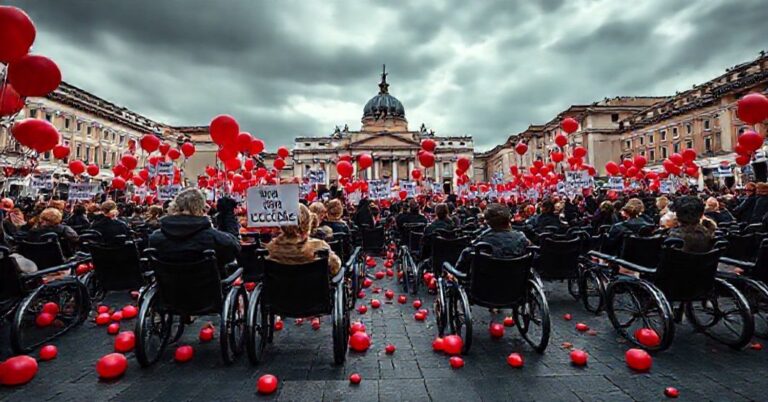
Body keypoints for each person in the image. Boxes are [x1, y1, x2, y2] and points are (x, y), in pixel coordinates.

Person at [149, 188, 241, 273]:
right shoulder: (214, 238)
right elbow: (234, 248)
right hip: (208, 288)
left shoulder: (155, 238)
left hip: (169, 289)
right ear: (200, 210)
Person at [265, 203, 341, 275]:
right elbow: (335, 267)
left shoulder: (271, 249)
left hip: (280, 288)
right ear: (308, 222)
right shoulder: (319, 247)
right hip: (313, 288)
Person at [455, 203, 529, 272]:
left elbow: (461, 267)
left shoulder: (481, 244)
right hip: (516, 283)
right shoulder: (521, 238)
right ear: (508, 220)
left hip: (485, 284)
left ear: (488, 222)